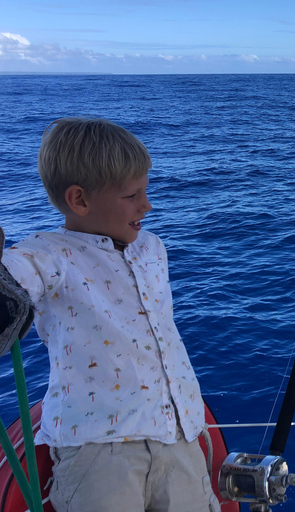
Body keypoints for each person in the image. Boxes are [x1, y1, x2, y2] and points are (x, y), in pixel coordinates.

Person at [0, 118, 220, 512]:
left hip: (179, 436)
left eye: (146, 190)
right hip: (98, 451)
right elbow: (15, 278)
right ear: (79, 200)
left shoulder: (151, 246)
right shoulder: (48, 253)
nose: (146, 205)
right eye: (132, 195)